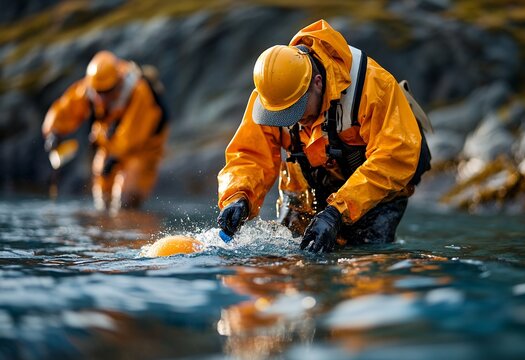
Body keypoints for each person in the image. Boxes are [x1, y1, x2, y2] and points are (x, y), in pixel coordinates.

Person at [217, 19, 431, 253]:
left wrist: (336, 212)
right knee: (292, 261)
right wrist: (239, 197)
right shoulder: (274, 93)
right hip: (304, 191)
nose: (293, 120)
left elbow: (395, 156)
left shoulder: (375, 88)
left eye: (296, 110)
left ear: (317, 83)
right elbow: (249, 155)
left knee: (365, 264)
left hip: (374, 194)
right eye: (284, 114)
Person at [42, 50, 168, 213]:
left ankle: (133, 234)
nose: (100, 98)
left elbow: (132, 138)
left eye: (106, 92)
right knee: (102, 195)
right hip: (110, 143)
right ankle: (104, 232)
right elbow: (68, 106)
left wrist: (114, 156)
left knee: (125, 197)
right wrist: (54, 132)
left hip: (140, 149)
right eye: (98, 92)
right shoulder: (92, 87)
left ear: (118, 83)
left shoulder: (139, 92)